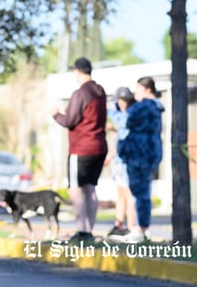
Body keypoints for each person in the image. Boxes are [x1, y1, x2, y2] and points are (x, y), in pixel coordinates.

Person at [51, 56, 108, 243]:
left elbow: (70, 121)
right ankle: (89, 230)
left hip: (81, 147)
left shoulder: (80, 93)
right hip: (99, 146)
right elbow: (86, 117)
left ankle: (82, 230)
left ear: (77, 71)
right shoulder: (100, 91)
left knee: (75, 189)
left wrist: (56, 115)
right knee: (90, 188)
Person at [115, 76, 164, 243]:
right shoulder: (157, 107)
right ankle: (142, 228)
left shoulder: (143, 107)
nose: (135, 93)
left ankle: (140, 229)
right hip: (149, 153)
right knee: (143, 192)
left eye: (137, 89)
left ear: (146, 89)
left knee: (139, 193)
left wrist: (114, 111)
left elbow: (123, 121)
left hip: (139, 154)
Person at [106, 86, 136, 238]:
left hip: (126, 160)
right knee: (120, 193)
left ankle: (131, 227)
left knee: (128, 194)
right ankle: (118, 225)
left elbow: (127, 136)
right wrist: (111, 155)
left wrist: (110, 110)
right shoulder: (125, 116)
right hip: (119, 159)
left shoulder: (128, 115)